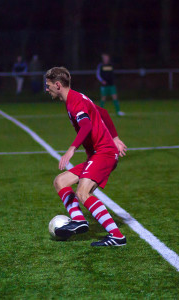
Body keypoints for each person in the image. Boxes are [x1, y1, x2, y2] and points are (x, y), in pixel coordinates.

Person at [45, 67, 127, 247]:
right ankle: (79, 220)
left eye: (48, 85)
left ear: (58, 85)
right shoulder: (76, 98)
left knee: (83, 192)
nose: (46, 89)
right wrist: (116, 138)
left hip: (104, 153)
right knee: (60, 181)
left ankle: (116, 236)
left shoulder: (75, 102)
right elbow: (103, 113)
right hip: (99, 154)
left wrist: (71, 149)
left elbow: (86, 126)